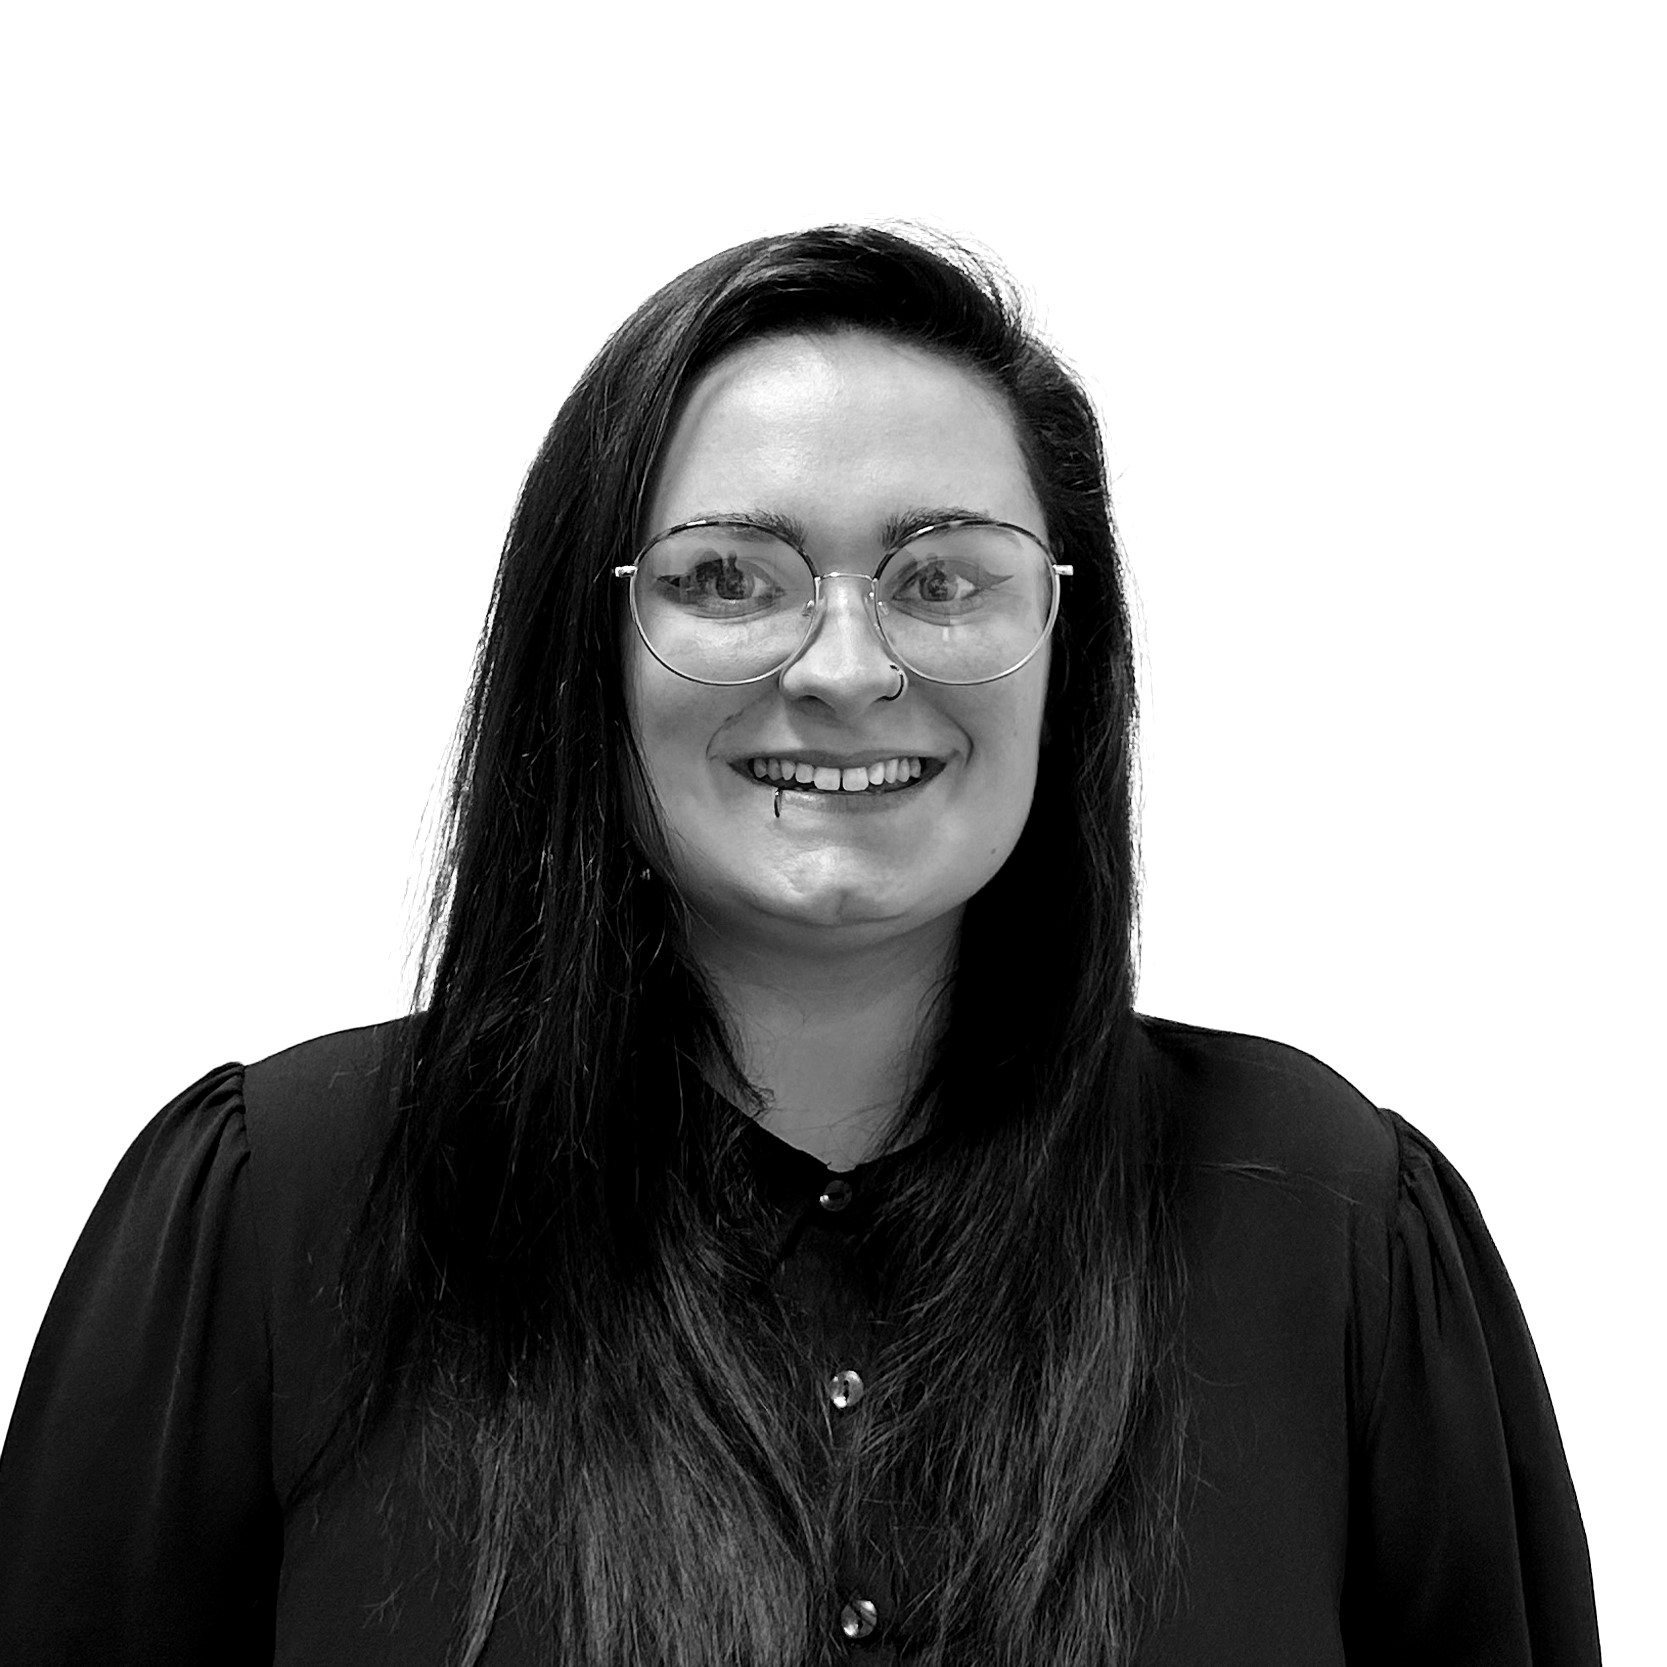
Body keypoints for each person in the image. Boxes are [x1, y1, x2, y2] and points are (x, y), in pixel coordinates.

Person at [0, 225, 1599, 1666]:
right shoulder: (276, 1211)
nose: (846, 667)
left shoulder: (1332, 1223)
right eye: (727, 579)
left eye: (944, 579)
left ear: (1067, 644)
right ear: (588, 647)